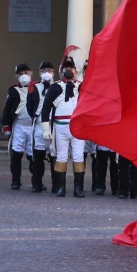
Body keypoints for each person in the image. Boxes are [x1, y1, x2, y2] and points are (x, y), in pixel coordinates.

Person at [42, 59, 87, 197]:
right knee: (61, 157)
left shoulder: (82, 86)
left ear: (75, 71)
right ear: (62, 70)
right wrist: (45, 128)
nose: (69, 70)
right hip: (60, 127)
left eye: (71, 68)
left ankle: (78, 188)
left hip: (77, 128)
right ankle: (60, 187)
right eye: (66, 68)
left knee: (79, 157)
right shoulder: (55, 87)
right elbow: (46, 108)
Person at [0, 65, 47, 192]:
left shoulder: (37, 87)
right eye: (20, 73)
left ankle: (37, 181)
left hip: (33, 126)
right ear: (17, 76)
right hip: (19, 126)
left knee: (35, 156)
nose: (24, 75)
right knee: (16, 154)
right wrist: (6, 126)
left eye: (26, 72)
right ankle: (16, 180)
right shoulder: (13, 89)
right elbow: (7, 109)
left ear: (31, 74)